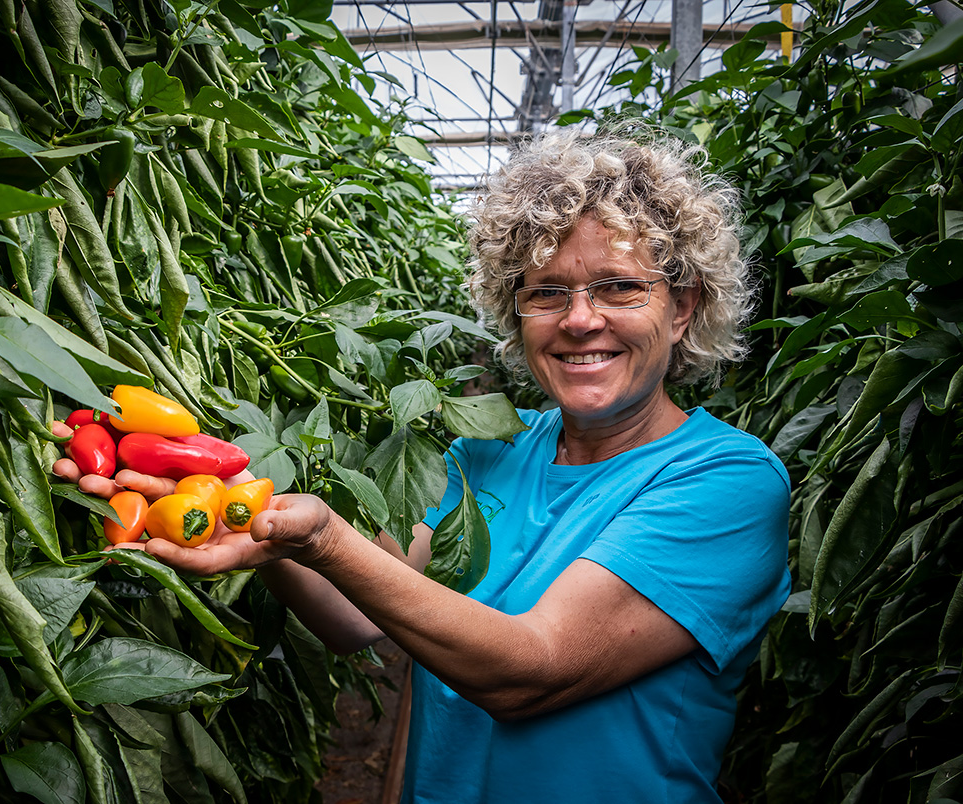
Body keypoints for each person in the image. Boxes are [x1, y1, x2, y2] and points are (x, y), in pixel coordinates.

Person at [54, 127, 792, 802]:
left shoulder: (726, 483)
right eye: (545, 292)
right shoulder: (490, 444)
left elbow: (530, 671)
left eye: (619, 287)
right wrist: (255, 515)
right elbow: (362, 615)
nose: (579, 319)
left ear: (685, 306)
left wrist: (324, 538)